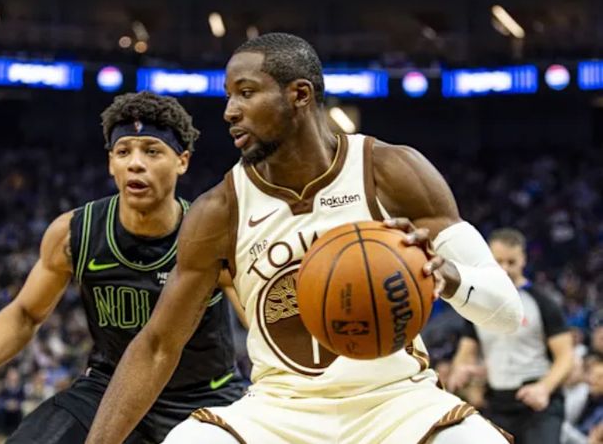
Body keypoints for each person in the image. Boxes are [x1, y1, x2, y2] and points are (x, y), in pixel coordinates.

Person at [86, 33, 523, 444]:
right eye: (228, 96)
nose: (229, 111)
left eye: (246, 92)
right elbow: (158, 346)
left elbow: (507, 312)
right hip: (280, 410)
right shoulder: (219, 210)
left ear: (299, 94)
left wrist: (447, 277)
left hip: (398, 402)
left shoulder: (390, 171)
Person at [0, 91, 245, 443]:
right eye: (123, 151)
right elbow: (26, 313)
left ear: (182, 161)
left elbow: (258, 321)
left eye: (152, 151)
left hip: (204, 395)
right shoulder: (74, 233)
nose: (135, 163)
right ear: (110, 163)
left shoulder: (211, 236)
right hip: (108, 389)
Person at [448, 228, 574, 444]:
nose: (505, 268)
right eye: (498, 262)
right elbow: (465, 352)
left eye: (511, 262)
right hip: (497, 401)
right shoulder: (478, 304)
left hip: (538, 402)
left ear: (523, 259)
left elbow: (566, 356)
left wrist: (544, 388)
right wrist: (460, 369)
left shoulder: (543, 302)